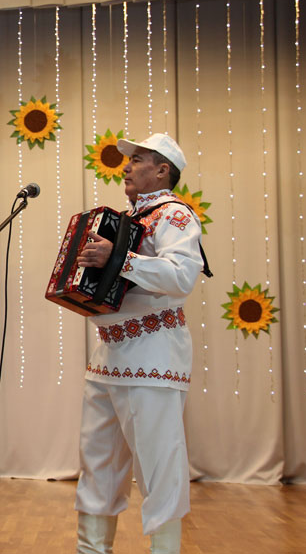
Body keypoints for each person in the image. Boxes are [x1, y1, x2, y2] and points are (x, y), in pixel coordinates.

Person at [74, 133, 205, 554]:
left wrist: (118, 259)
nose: (126, 167)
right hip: (107, 355)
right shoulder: (127, 218)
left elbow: (181, 276)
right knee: (97, 462)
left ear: (163, 170)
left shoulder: (175, 215)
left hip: (152, 354)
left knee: (159, 464)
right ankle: (91, 549)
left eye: (138, 160)